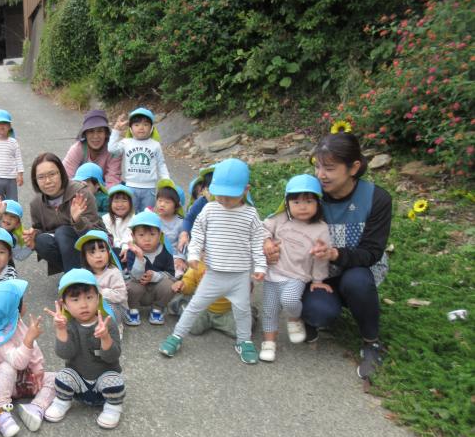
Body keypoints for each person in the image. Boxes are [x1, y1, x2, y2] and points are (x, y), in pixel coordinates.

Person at [275, 127, 392, 383]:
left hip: (357, 269)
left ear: (354, 167)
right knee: (318, 313)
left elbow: (371, 252)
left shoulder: (377, 199)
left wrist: (334, 253)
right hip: (317, 274)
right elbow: (280, 222)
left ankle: (371, 342)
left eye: (329, 168)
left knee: (357, 281)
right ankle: (315, 314)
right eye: (317, 166)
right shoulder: (309, 191)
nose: (320, 175)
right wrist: (269, 244)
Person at [159, 158, 266, 364]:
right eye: (219, 194)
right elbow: (198, 233)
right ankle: (177, 336)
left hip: (239, 276)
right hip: (213, 273)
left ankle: (244, 341)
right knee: (195, 306)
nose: (223, 199)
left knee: (242, 311)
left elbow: (257, 242)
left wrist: (260, 265)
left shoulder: (251, 215)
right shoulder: (209, 210)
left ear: (246, 190)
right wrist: (193, 255)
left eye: (230, 195)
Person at [259, 175, 332, 362]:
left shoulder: (321, 228)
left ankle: (294, 318)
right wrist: (267, 241)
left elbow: (321, 257)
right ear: (287, 203)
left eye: (309, 201)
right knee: (269, 310)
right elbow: (262, 229)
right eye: (296, 202)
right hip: (272, 273)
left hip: (297, 275)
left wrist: (318, 280)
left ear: (318, 203)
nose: (302, 207)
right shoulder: (280, 218)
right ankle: (269, 343)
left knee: (290, 299)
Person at [43, 269, 124, 429]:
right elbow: (65, 354)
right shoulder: (69, 325)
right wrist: (61, 330)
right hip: (78, 388)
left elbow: (112, 357)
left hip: (104, 387)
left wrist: (105, 337)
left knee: (115, 380)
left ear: (98, 298)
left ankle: (113, 408)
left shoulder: (107, 323)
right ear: (64, 305)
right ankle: (62, 402)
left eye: (89, 297)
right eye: (75, 299)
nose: (84, 304)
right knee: (63, 376)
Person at [0, 280, 57, 437]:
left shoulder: (15, 322)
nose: (25, 305)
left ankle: (36, 408)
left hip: (18, 381)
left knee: (58, 379)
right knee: (7, 367)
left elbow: (33, 347)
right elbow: (18, 362)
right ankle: (0, 412)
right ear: (14, 310)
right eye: (22, 302)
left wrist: (38, 368)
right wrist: (29, 339)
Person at [23, 152, 105, 275]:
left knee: (63, 232)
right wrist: (34, 234)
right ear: (35, 180)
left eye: (52, 174)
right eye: (41, 177)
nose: (48, 181)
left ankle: (75, 279)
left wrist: (78, 220)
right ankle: (75, 272)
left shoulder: (81, 193)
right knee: (41, 241)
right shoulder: (36, 203)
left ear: (61, 173)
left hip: (92, 245)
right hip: (66, 249)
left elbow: (95, 232)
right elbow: (40, 229)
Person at [110, 108, 170, 213]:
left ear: (151, 128)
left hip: (149, 189)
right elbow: (112, 149)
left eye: (145, 125)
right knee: (130, 215)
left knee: (148, 215)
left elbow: (161, 164)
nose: (141, 128)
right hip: (130, 187)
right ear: (130, 128)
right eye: (137, 125)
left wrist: (167, 181)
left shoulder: (155, 145)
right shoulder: (126, 142)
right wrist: (116, 130)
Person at [124, 211, 176, 327]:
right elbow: (134, 277)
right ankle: (132, 309)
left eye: (152, 234)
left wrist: (155, 276)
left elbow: (171, 274)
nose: (147, 239)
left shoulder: (165, 251)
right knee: (130, 286)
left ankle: (157, 308)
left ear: (160, 234)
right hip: (138, 289)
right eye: (141, 235)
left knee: (170, 285)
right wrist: (139, 257)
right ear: (133, 236)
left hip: (157, 289)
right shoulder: (132, 251)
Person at [75, 229, 129, 333]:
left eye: (102, 250)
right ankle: (90, 326)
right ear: (85, 257)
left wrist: (100, 292)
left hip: (116, 308)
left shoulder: (113, 272)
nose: (98, 255)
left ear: (109, 253)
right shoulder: (83, 274)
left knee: (109, 307)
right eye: (92, 252)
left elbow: (121, 295)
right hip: (93, 306)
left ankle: (116, 327)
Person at [62, 109, 122, 186]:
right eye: (91, 131)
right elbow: (66, 177)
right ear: (85, 134)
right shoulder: (77, 149)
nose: (95, 136)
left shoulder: (114, 150)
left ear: (106, 133)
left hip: (103, 188)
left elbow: (113, 180)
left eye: (100, 131)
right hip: (79, 187)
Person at [155, 178, 187, 273]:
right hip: (155, 255)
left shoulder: (181, 223)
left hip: (174, 257)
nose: (162, 204)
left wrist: (181, 258)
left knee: (178, 271)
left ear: (176, 206)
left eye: (167, 202)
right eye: (160, 200)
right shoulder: (153, 219)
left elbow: (183, 243)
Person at [102, 184, 135, 262]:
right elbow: (109, 236)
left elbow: (128, 236)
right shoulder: (105, 219)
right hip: (110, 252)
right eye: (116, 201)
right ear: (110, 203)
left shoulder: (134, 219)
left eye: (124, 201)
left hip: (128, 250)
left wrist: (125, 246)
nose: (120, 205)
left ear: (130, 203)